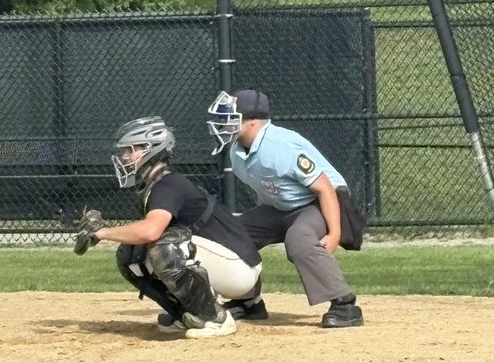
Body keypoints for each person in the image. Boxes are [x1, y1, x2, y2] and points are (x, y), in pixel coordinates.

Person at [72, 116, 263, 338]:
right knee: (131, 254)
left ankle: (216, 319)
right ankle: (187, 314)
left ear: (152, 149)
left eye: (131, 150)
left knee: (165, 245)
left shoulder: (168, 184)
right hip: (228, 262)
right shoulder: (156, 183)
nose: (124, 157)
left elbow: (150, 230)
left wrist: (101, 232)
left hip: (241, 270)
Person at [206, 88, 364, 328]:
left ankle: (345, 304)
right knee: (232, 235)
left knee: (298, 239)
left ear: (252, 122)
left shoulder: (280, 146)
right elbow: (267, 190)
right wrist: (263, 224)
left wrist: (334, 233)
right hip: (283, 206)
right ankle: (248, 302)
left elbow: (325, 188)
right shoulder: (237, 152)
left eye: (232, 118)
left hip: (324, 199)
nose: (224, 123)